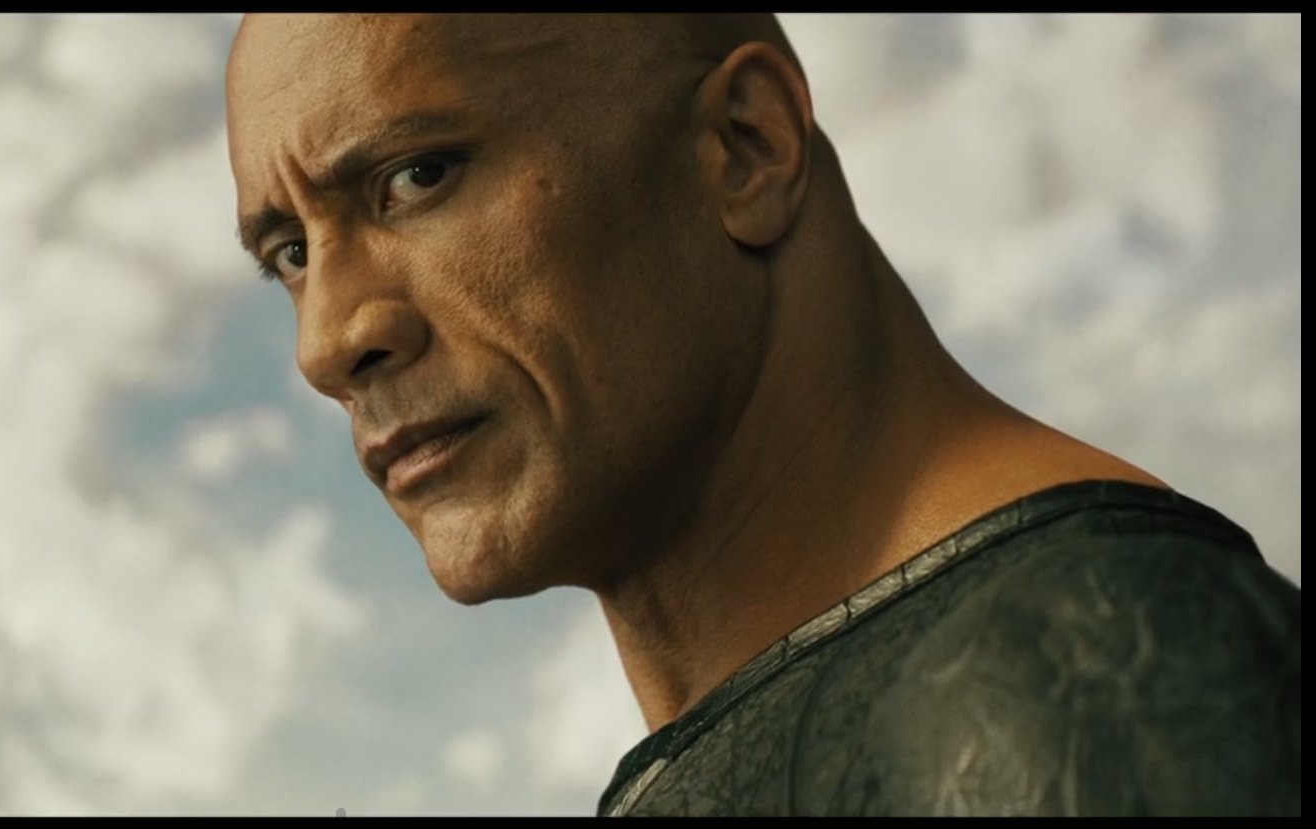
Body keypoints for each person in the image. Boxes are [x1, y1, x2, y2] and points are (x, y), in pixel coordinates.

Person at [221, 13, 1300, 816]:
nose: (326, 343)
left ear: (745, 146)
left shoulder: (1053, 672)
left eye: (417, 176)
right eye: (290, 253)